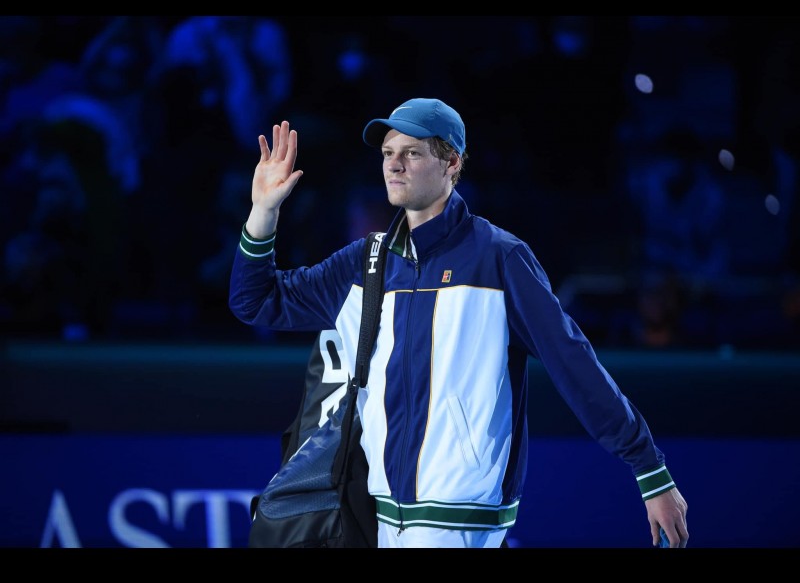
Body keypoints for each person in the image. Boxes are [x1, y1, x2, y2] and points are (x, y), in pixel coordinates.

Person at [229, 98, 689, 548]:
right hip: (384, 516)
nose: (394, 165)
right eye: (388, 153)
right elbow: (255, 301)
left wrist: (649, 469)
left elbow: (575, 364)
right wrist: (264, 211)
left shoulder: (499, 258)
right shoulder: (365, 263)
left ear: (452, 163)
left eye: (412, 153)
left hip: (460, 516)